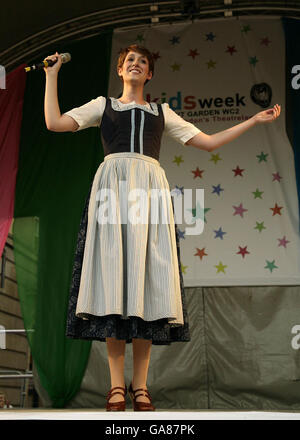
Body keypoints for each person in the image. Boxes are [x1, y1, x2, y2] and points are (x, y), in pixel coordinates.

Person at [43, 44, 281, 412]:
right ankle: (115, 387)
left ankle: (141, 387)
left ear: (149, 74)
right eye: (130, 61)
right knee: (115, 282)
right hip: (112, 188)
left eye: (143, 62)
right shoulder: (102, 105)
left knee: (146, 281)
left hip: (150, 190)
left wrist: (254, 120)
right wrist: (51, 75)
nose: (136, 65)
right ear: (120, 71)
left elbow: (209, 141)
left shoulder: (161, 112)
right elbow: (54, 123)